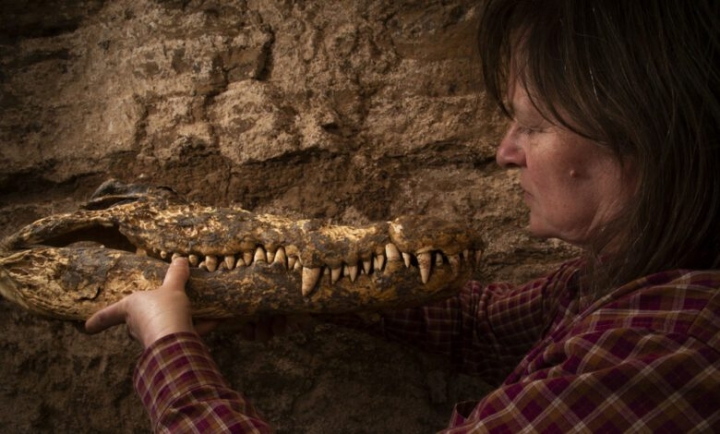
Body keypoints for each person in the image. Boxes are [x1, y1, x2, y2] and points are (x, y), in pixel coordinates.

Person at [85, 0, 720, 432]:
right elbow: (478, 323)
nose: (505, 152)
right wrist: (291, 291)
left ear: (643, 135)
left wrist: (169, 348)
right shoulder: (626, 280)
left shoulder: (666, 350)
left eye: (532, 124)